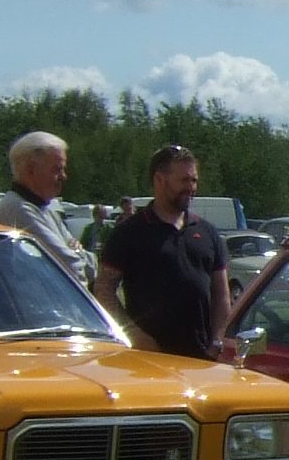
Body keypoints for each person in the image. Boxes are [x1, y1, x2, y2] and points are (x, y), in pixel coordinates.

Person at [96, 144, 231, 359]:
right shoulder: (130, 231)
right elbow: (103, 290)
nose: (191, 187)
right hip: (148, 361)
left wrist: (217, 340)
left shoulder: (207, 232)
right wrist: (133, 335)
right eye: (184, 180)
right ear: (159, 180)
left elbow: (222, 294)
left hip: (201, 360)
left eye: (194, 180)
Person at [0, 130, 90, 283]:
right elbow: (70, 270)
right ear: (30, 170)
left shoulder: (45, 209)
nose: (63, 176)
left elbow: (91, 267)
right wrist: (76, 250)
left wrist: (77, 253)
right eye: (56, 169)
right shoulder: (20, 210)